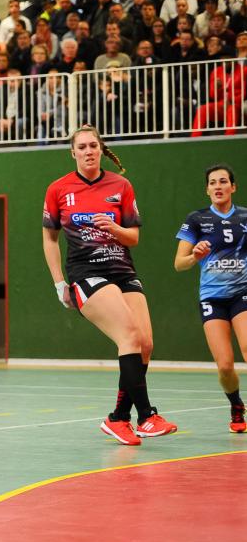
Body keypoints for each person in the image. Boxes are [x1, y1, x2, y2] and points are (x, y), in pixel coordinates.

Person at [41, 125, 176, 446]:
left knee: (144, 344)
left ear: (102, 150)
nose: (88, 151)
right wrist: (59, 282)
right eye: (82, 147)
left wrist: (114, 227)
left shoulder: (121, 185)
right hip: (86, 272)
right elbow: (49, 238)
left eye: (93, 146)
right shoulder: (58, 189)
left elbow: (134, 237)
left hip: (122, 270)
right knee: (128, 335)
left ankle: (117, 419)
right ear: (73, 152)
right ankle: (146, 416)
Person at [174, 164, 247, 433]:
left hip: (243, 294)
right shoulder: (197, 219)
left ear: (233, 187)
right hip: (212, 298)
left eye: (223, 181)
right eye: (213, 182)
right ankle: (236, 404)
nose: (218, 186)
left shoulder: (245, 218)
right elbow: (179, 264)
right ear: (207, 189)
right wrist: (195, 255)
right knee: (225, 365)